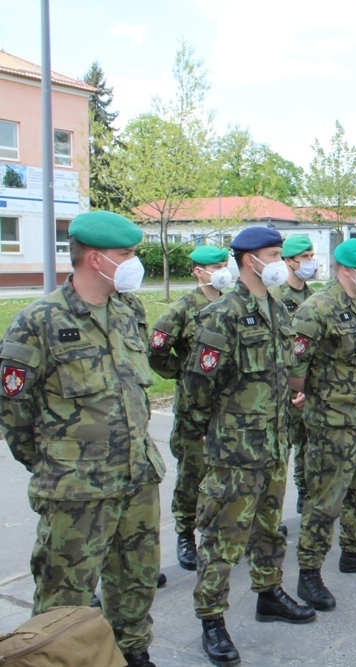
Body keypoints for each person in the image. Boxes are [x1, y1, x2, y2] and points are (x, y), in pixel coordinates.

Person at [0, 210, 164, 667]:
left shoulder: (128, 309)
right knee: (63, 598)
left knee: (136, 581)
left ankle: (134, 654)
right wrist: (54, 464)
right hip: (76, 491)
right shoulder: (40, 321)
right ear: (96, 259)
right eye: (126, 255)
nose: (134, 263)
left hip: (136, 476)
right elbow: (13, 409)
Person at [183, 226, 315, 667]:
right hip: (236, 451)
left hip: (274, 443)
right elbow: (196, 387)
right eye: (274, 254)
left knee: (269, 528)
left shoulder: (276, 309)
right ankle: (212, 619)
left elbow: (282, 370)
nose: (281, 262)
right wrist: (203, 431)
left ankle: (268, 592)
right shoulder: (222, 314)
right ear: (248, 260)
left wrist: (292, 396)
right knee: (222, 536)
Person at [291, 239, 356, 612]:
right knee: (324, 501)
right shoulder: (317, 309)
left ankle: (354, 550)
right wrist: (317, 396)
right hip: (333, 425)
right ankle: (309, 573)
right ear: (346, 270)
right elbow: (295, 370)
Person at [148, 245, 231, 571]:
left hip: (228, 406)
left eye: (225, 263)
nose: (223, 269)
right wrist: (180, 373)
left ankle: (221, 529)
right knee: (192, 474)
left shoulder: (233, 303)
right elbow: (156, 351)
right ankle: (185, 533)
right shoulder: (182, 309)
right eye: (216, 265)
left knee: (226, 472)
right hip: (193, 410)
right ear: (198, 271)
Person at [270, 234, 316, 515]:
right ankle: (271, 511)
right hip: (282, 387)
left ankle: (305, 492)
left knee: (309, 444)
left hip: (307, 383)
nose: (311, 262)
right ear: (289, 261)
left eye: (312, 256)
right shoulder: (275, 296)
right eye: (305, 257)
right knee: (279, 450)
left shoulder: (313, 297)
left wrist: (307, 385)